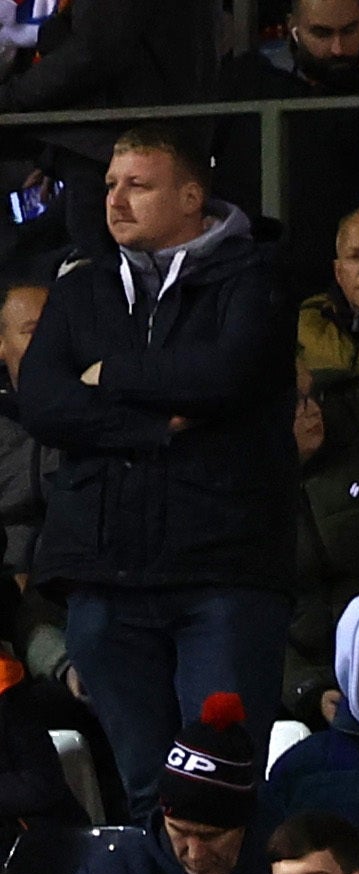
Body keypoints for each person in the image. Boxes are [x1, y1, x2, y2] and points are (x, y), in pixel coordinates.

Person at [24, 132, 295, 826]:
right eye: (111, 184)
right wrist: (152, 424)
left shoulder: (256, 276)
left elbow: (225, 374)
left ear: (190, 197)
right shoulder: (81, 283)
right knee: (146, 792)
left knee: (224, 786)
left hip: (223, 575)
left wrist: (111, 374)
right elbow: (43, 399)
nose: (115, 199)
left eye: (137, 185)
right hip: (105, 580)